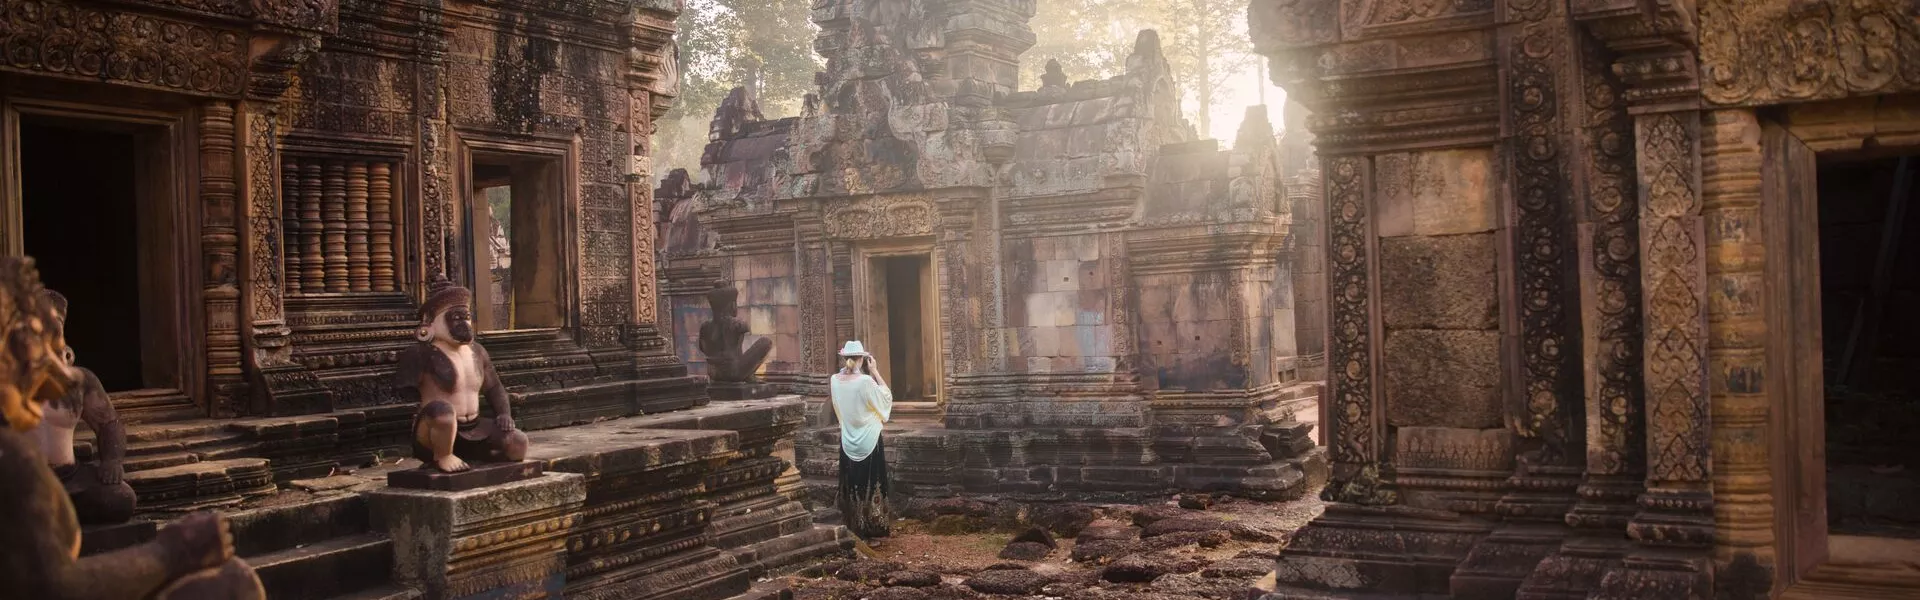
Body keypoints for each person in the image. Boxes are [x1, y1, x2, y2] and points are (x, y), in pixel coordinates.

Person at [831, 340, 893, 538]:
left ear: (844, 358)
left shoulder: (834, 380)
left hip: (848, 439)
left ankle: (854, 525)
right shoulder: (865, 381)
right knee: (871, 483)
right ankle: (873, 528)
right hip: (869, 438)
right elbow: (885, 397)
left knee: (853, 484)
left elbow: (839, 410)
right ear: (862, 359)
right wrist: (874, 371)